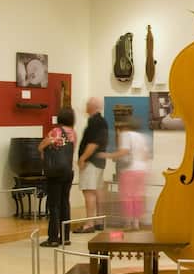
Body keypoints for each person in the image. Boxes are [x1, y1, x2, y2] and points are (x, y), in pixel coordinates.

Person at [99, 118, 150, 230]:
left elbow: (124, 151)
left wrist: (108, 155)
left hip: (129, 169)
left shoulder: (126, 135)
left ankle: (128, 222)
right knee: (137, 196)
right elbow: (146, 155)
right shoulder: (142, 137)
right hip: (142, 169)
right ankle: (136, 223)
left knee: (127, 196)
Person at [38, 107, 76, 246]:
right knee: (65, 203)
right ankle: (65, 237)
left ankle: (53, 238)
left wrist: (43, 148)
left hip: (55, 173)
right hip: (68, 171)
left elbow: (42, 145)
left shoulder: (56, 131)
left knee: (54, 205)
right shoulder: (73, 133)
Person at [77, 97, 109, 233]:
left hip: (92, 161)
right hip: (99, 162)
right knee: (97, 190)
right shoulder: (101, 121)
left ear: (92, 106)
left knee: (89, 191)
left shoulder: (95, 122)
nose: (86, 106)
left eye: (87, 104)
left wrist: (83, 158)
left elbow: (93, 143)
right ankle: (99, 221)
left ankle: (89, 223)